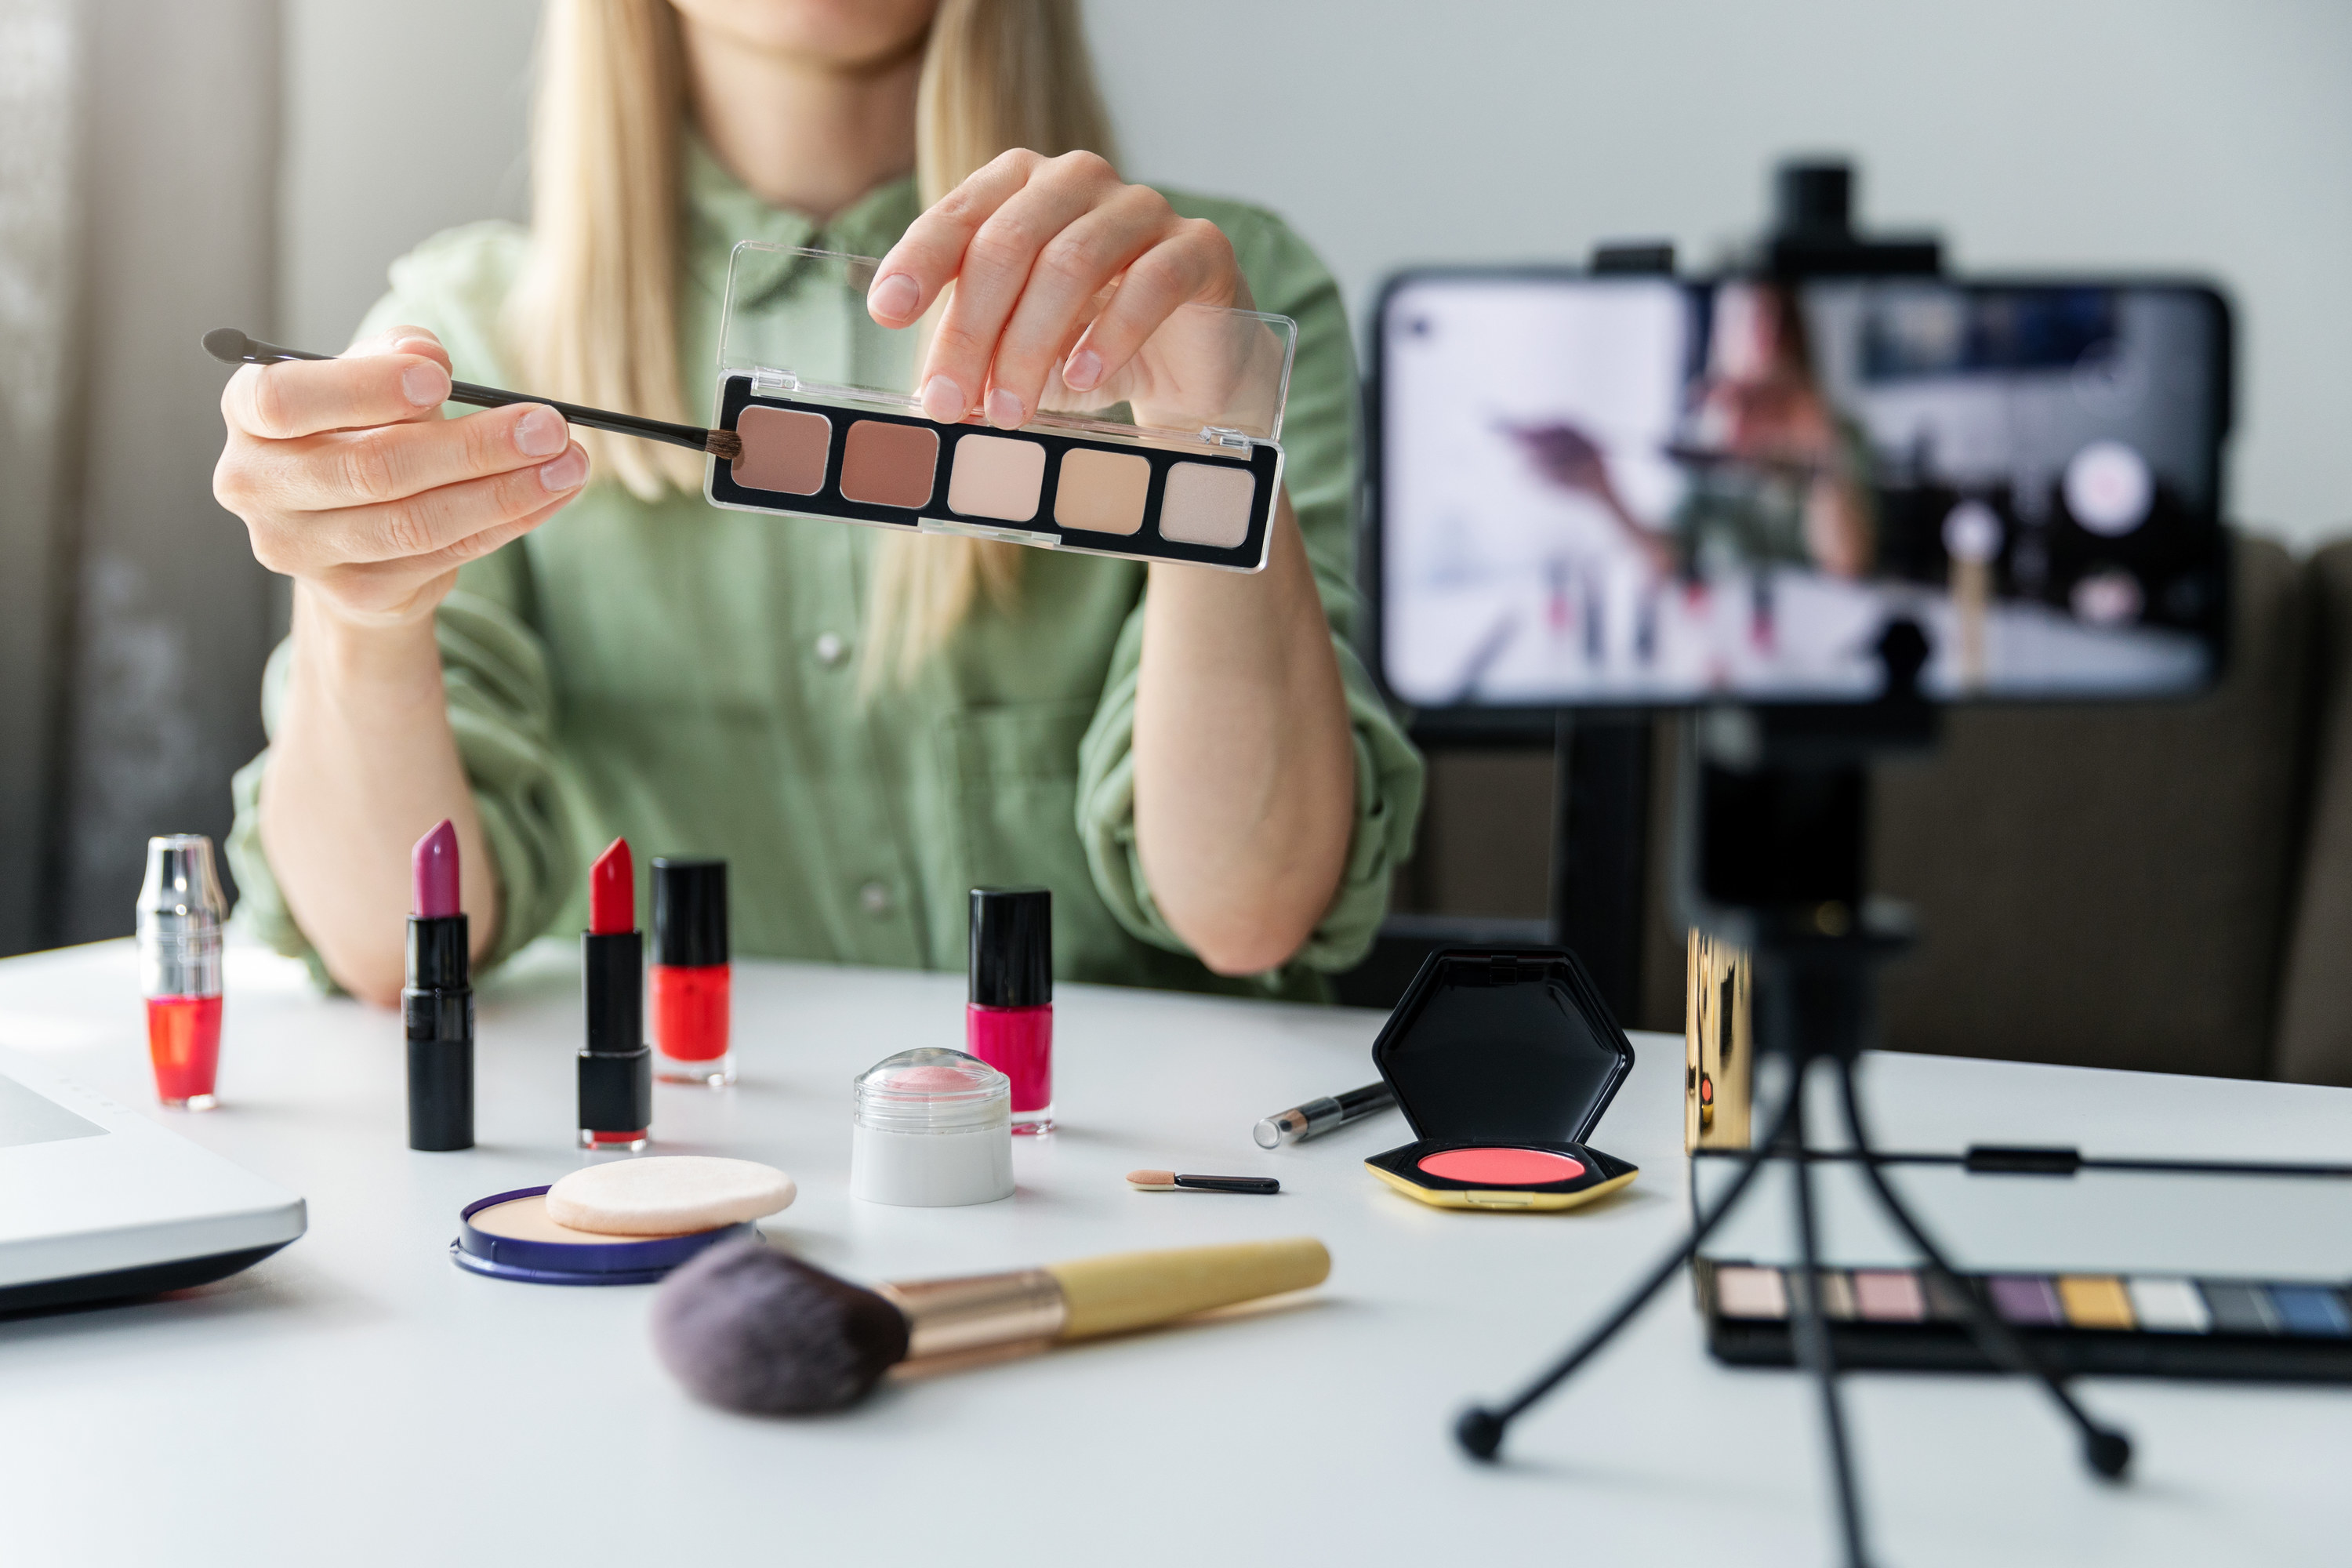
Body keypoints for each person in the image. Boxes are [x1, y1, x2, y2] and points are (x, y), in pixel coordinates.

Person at [211, 0, 1421, 1007]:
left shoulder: (1210, 317)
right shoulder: (463, 328)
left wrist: (1201, 451)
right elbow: (393, 945)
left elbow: (1251, 912)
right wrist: (363, 612)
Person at [1510, 280, 1876, 583]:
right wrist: (1603, 489)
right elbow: (1669, 559)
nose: (1764, 335)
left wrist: (1819, 442)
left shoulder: (1842, 435)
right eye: (1746, 318)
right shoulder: (1707, 437)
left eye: (1777, 321)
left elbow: (1846, 565)